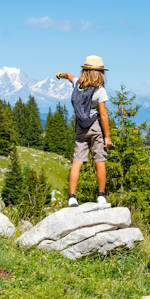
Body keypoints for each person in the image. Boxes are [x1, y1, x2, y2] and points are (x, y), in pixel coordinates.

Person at [56, 55, 113, 207]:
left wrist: (60, 75)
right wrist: (107, 137)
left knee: (77, 161)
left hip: (80, 127)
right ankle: (101, 196)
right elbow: (103, 115)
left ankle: (72, 197)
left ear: (85, 71)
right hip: (95, 127)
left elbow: (69, 76)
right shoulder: (99, 91)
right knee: (99, 160)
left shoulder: (78, 85)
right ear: (99, 73)